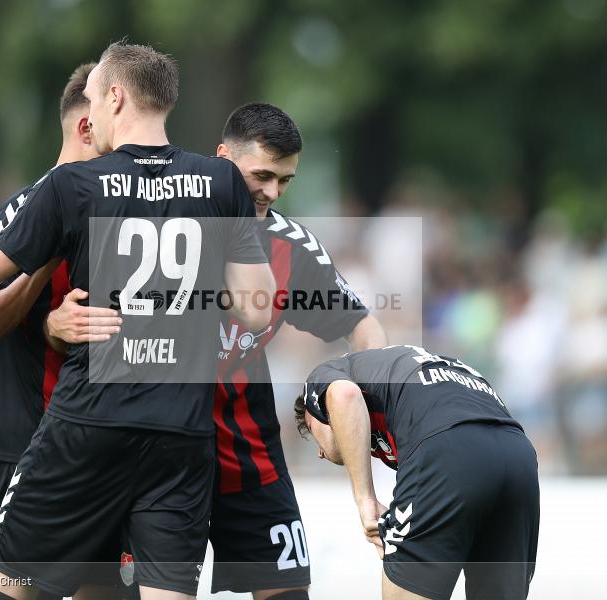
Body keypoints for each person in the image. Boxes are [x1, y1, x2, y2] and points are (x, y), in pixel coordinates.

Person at [0, 41, 275, 600]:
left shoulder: (72, 186)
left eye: (92, 98)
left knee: (7, 584)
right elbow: (256, 306)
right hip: (182, 431)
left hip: (89, 425)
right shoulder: (222, 181)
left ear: (116, 97)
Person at [47, 102, 387, 600]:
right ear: (223, 158)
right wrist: (55, 324)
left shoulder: (292, 247)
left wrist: (362, 398)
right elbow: (70, 323)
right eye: (262, 175)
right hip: (147, 449)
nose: (271, 192)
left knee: (290, 592)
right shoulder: (156, 223)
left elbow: (362, 324)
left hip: (246, 452)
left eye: (285, 181)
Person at [0, 62, 127, 600]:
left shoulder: (125, 215)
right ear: (89, 128)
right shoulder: (25, 208)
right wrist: (43, 300)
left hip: (105, 447)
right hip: (27, 445)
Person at [295, 344, 539, 600]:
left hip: (447, 447)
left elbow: (344, 395)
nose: (321, 453)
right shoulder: (432, 371)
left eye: (313, 438)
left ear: (313, 415)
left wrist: (365, 498)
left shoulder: (324, 376)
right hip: (519, 456)